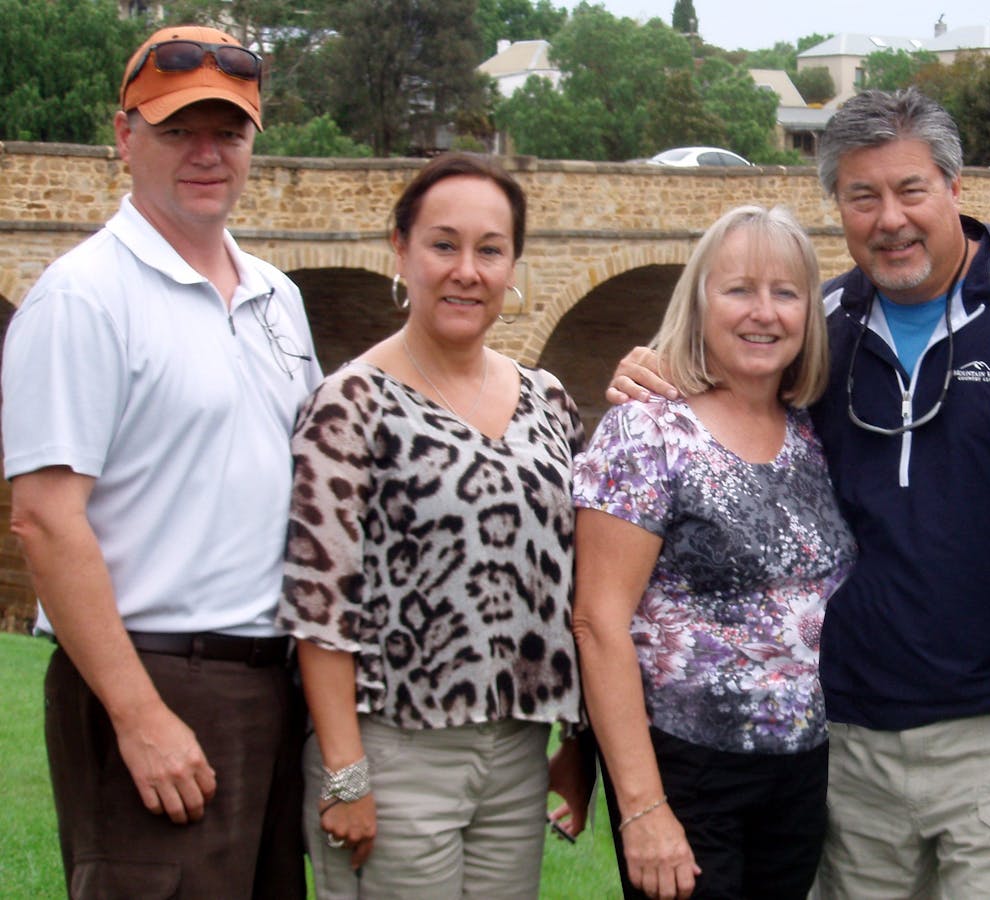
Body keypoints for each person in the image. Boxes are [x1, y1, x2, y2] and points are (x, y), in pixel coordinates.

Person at [611, 89, 990, 898]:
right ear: (837, 205)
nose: (890, 219)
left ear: (956, 187)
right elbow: (724, 398)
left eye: (911, 190)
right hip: (847, 739)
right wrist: (649, 373)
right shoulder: (817, 326)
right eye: (863, 196)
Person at [1, 24, 318, 898]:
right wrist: (138, 714)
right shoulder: (83, 297)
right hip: (152, 675)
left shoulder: (278, 298)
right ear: (125, 137)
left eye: (229, 132)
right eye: (178, 131)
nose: (207, 154)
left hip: (271, 679)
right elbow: (45, 519)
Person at [277, 152, 586, 897]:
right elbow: (318, 604)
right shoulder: (351, 404)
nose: (467, 272)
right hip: (394, 748)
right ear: (401, 249)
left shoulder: (547, 402)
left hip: (519, 750)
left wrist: (579, 744)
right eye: (444, 245)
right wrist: (347, 774)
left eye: (491, 250)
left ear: (513, 265)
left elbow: (579, 585)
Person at [573, 205, 856, 900]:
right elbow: (598, 623)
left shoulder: (809, 432)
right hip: (686, 767)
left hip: (798, 771)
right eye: (739, 290)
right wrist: (642, 806)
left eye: (785, 293)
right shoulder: (647, 431)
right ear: (700, 302)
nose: (764, 312)